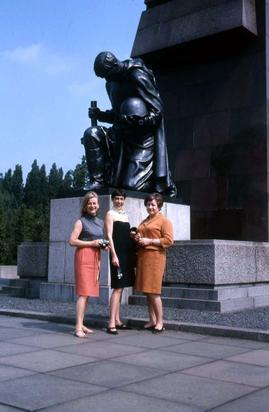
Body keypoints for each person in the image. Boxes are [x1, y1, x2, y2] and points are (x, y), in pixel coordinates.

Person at [82, 51, 176, 196]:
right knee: (92, 134)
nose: (106, 79)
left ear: (114, 66)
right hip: (121, 136)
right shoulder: (111, 84)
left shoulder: (137, 75)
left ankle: (156, 181)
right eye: (103, 77)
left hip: (142, 139)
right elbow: (117, 114)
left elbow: (157, 112)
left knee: (130, 186)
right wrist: (100, 115)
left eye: (107, 74)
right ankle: (97, 180)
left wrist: (138, 121)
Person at [69, 191, 108, 338]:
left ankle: (82, 323)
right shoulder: (80, 222)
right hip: (84, 257)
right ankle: (78, 327)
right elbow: (72, 241)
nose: (92, 205)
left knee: (88, 294)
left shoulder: (100, 222)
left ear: (98, 205)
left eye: (94, 203)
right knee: (83, 293)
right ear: (85, 206)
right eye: (89, 203)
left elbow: (98, 240)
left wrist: (103, 245)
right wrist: (92, 243)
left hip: (95, 258)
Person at [133, 193, 173, 333]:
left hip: (155, 257)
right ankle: (152, 319)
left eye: (153, 205)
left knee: (154, 291)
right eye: (148, 204)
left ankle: (160, 322)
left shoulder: (164, 221)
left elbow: (168, 240)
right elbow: (142, 235)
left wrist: (149, 241)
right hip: (144, 256)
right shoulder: (145, 220)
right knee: (147, 291)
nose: (150, 207)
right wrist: (137, 237)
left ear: (159, 206)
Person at [105, 189, 135, 334]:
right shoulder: (110, 214)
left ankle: (117, 320)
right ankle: (111, 323)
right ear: (112, 200)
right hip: (117, 255)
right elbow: (109, 236)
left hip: (126, 254)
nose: (119, 201)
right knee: (117, 288)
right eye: (116, 198)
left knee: (121, 288)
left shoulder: (125, 215)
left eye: (122, 198)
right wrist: (113, 255)